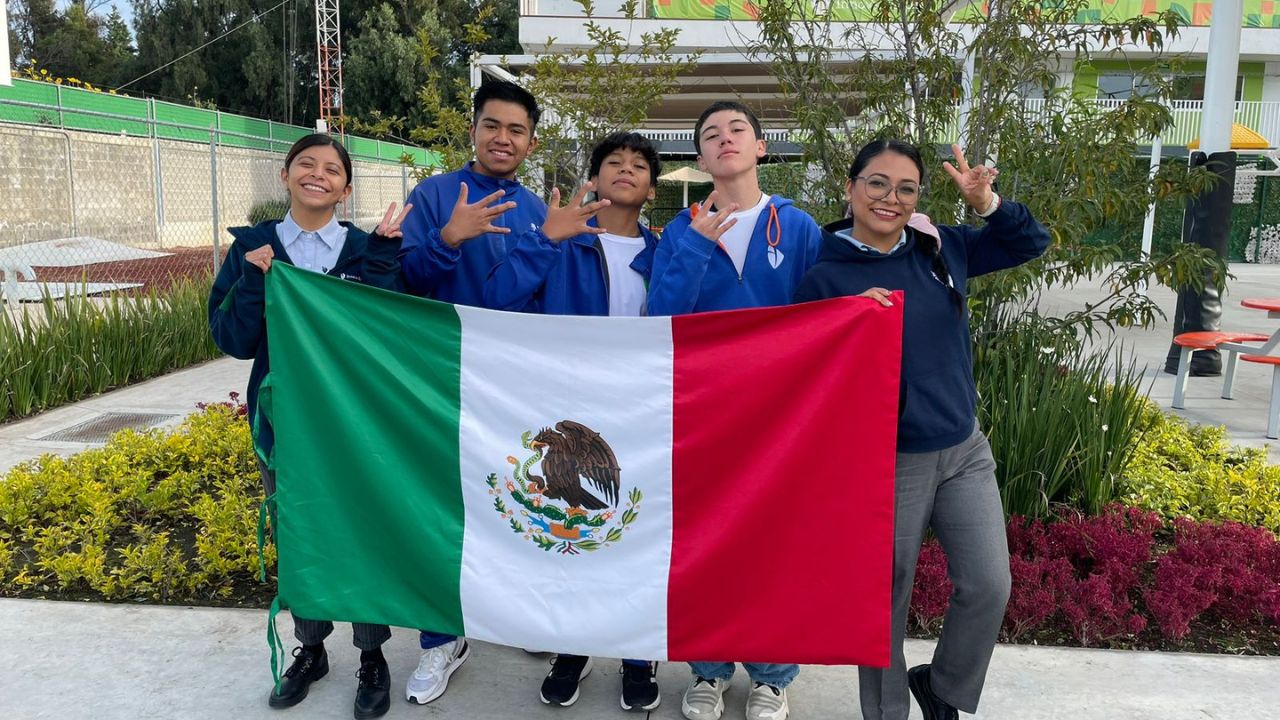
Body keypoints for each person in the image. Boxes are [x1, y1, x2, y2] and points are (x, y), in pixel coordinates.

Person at [793, 140, 1051, 720]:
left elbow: (1029, 243)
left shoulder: (941, 248)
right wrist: (844, 318)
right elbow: (801, 361)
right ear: (851, 188)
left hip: (963, 449)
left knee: (989, 585)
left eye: (906, 189)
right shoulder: (824, 272)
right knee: (885, 600)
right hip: (887, 460)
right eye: (878, 183)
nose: (891, 198)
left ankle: (942, 686)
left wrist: (987, 203)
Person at [207, 133, 411, 720]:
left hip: (356, 422)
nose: (317, 174)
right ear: (286, 175)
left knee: (361, 531)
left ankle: (372, 656)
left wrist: (382, 263)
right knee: (299, 535)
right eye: (306, 164)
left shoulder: (364, 247)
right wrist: (253, 282)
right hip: (285, 423)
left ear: (346, 188)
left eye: (331, 169)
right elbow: (232, 340)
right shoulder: (255, 247)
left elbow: (387, 330)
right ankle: (312, 647)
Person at [646, 101, 822, 720]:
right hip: (707, 412)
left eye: (737, 130)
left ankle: (773, 675)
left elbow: (822, 309)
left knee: (775, 543)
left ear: (762, 147)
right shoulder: (679, 231)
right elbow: (659, 318)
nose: (725, 140)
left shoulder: (797, 228)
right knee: (709, 542)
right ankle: (709, 670)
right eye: (711, 135)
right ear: (699, 158)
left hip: (782, 416)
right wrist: (693, 247)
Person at [486, 131, 664, 711]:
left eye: (639, 165)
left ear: (652, 189)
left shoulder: (664, 253)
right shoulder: (561, 242)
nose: (626, 170)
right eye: (613, 161)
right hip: (567, 411)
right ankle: (574, 647)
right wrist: (542, 239)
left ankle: (639, 654)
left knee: (637, 532)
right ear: (595, 177)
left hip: (642, 414)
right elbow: (497, 302)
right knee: (577, 536)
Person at [394, 79, 547, 706]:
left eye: (515, 130)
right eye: (492, 126)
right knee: (444, 508)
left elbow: (546, 304)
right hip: (444, 379)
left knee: (519, 502)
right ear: (474, 131)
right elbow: (403, 280)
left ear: (531, 142)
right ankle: (441, 639)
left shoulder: (539, 209)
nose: (502, 138)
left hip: (515, 389)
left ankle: (521, 615)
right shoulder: (434, 195)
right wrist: (448, 238)